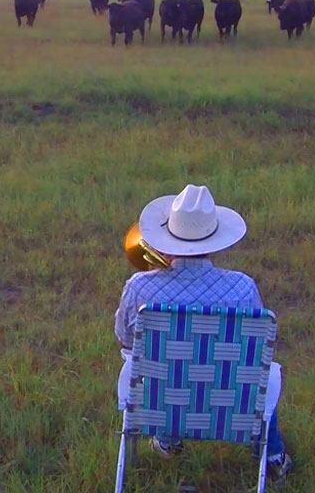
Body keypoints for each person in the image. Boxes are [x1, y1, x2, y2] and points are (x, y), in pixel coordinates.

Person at [114, 184, 292, 477]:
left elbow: (124, 337)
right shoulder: (242, 287)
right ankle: (273, 456)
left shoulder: (139, 287)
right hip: (230, 403)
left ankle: (168, 438)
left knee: (162, 369)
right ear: (214, 239)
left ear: (168, 236)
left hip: (161, 398)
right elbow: (258, 350)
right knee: (262, 375)